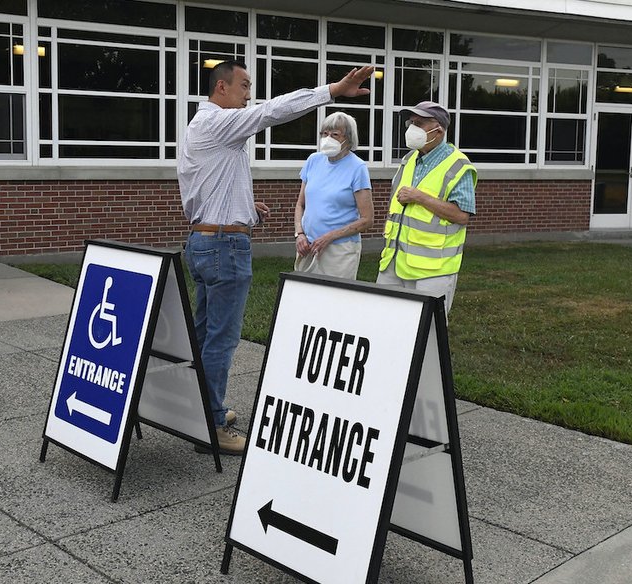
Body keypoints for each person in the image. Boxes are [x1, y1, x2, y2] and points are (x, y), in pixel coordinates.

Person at [178, 60, 374, 455]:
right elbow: (274, 111)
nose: (249, 95)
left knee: (201, 334)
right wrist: (332, 91)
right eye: (245, 86)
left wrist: (248, 210)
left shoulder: (200, 128)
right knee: (221, 340)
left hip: (203, 241)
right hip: (223, 248)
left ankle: (198, 407)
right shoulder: (219, 123)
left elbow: (209, 189)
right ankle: (212, 424)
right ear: (221, 88)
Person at [376, 101, 477, 315]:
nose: (412, 128)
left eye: (419, 123)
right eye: (411, 122)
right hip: (393, 262)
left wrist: (420, 197)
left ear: (438, 129)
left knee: (428, 332)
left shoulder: (459, 165)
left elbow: (461, 215)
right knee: (385, 323)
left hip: (433, 270)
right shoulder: (409, 159)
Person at [293, 112, 373, 278]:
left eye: (335, 134)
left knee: (336, 300)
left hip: (340, 250)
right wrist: (299, 234)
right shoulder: (313, 160)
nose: (327, 138)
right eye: (324, 133)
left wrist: (329, 237)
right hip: (308, 245)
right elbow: (301, 204)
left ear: (348, 139)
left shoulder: (358, 168)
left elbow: (367, 219)